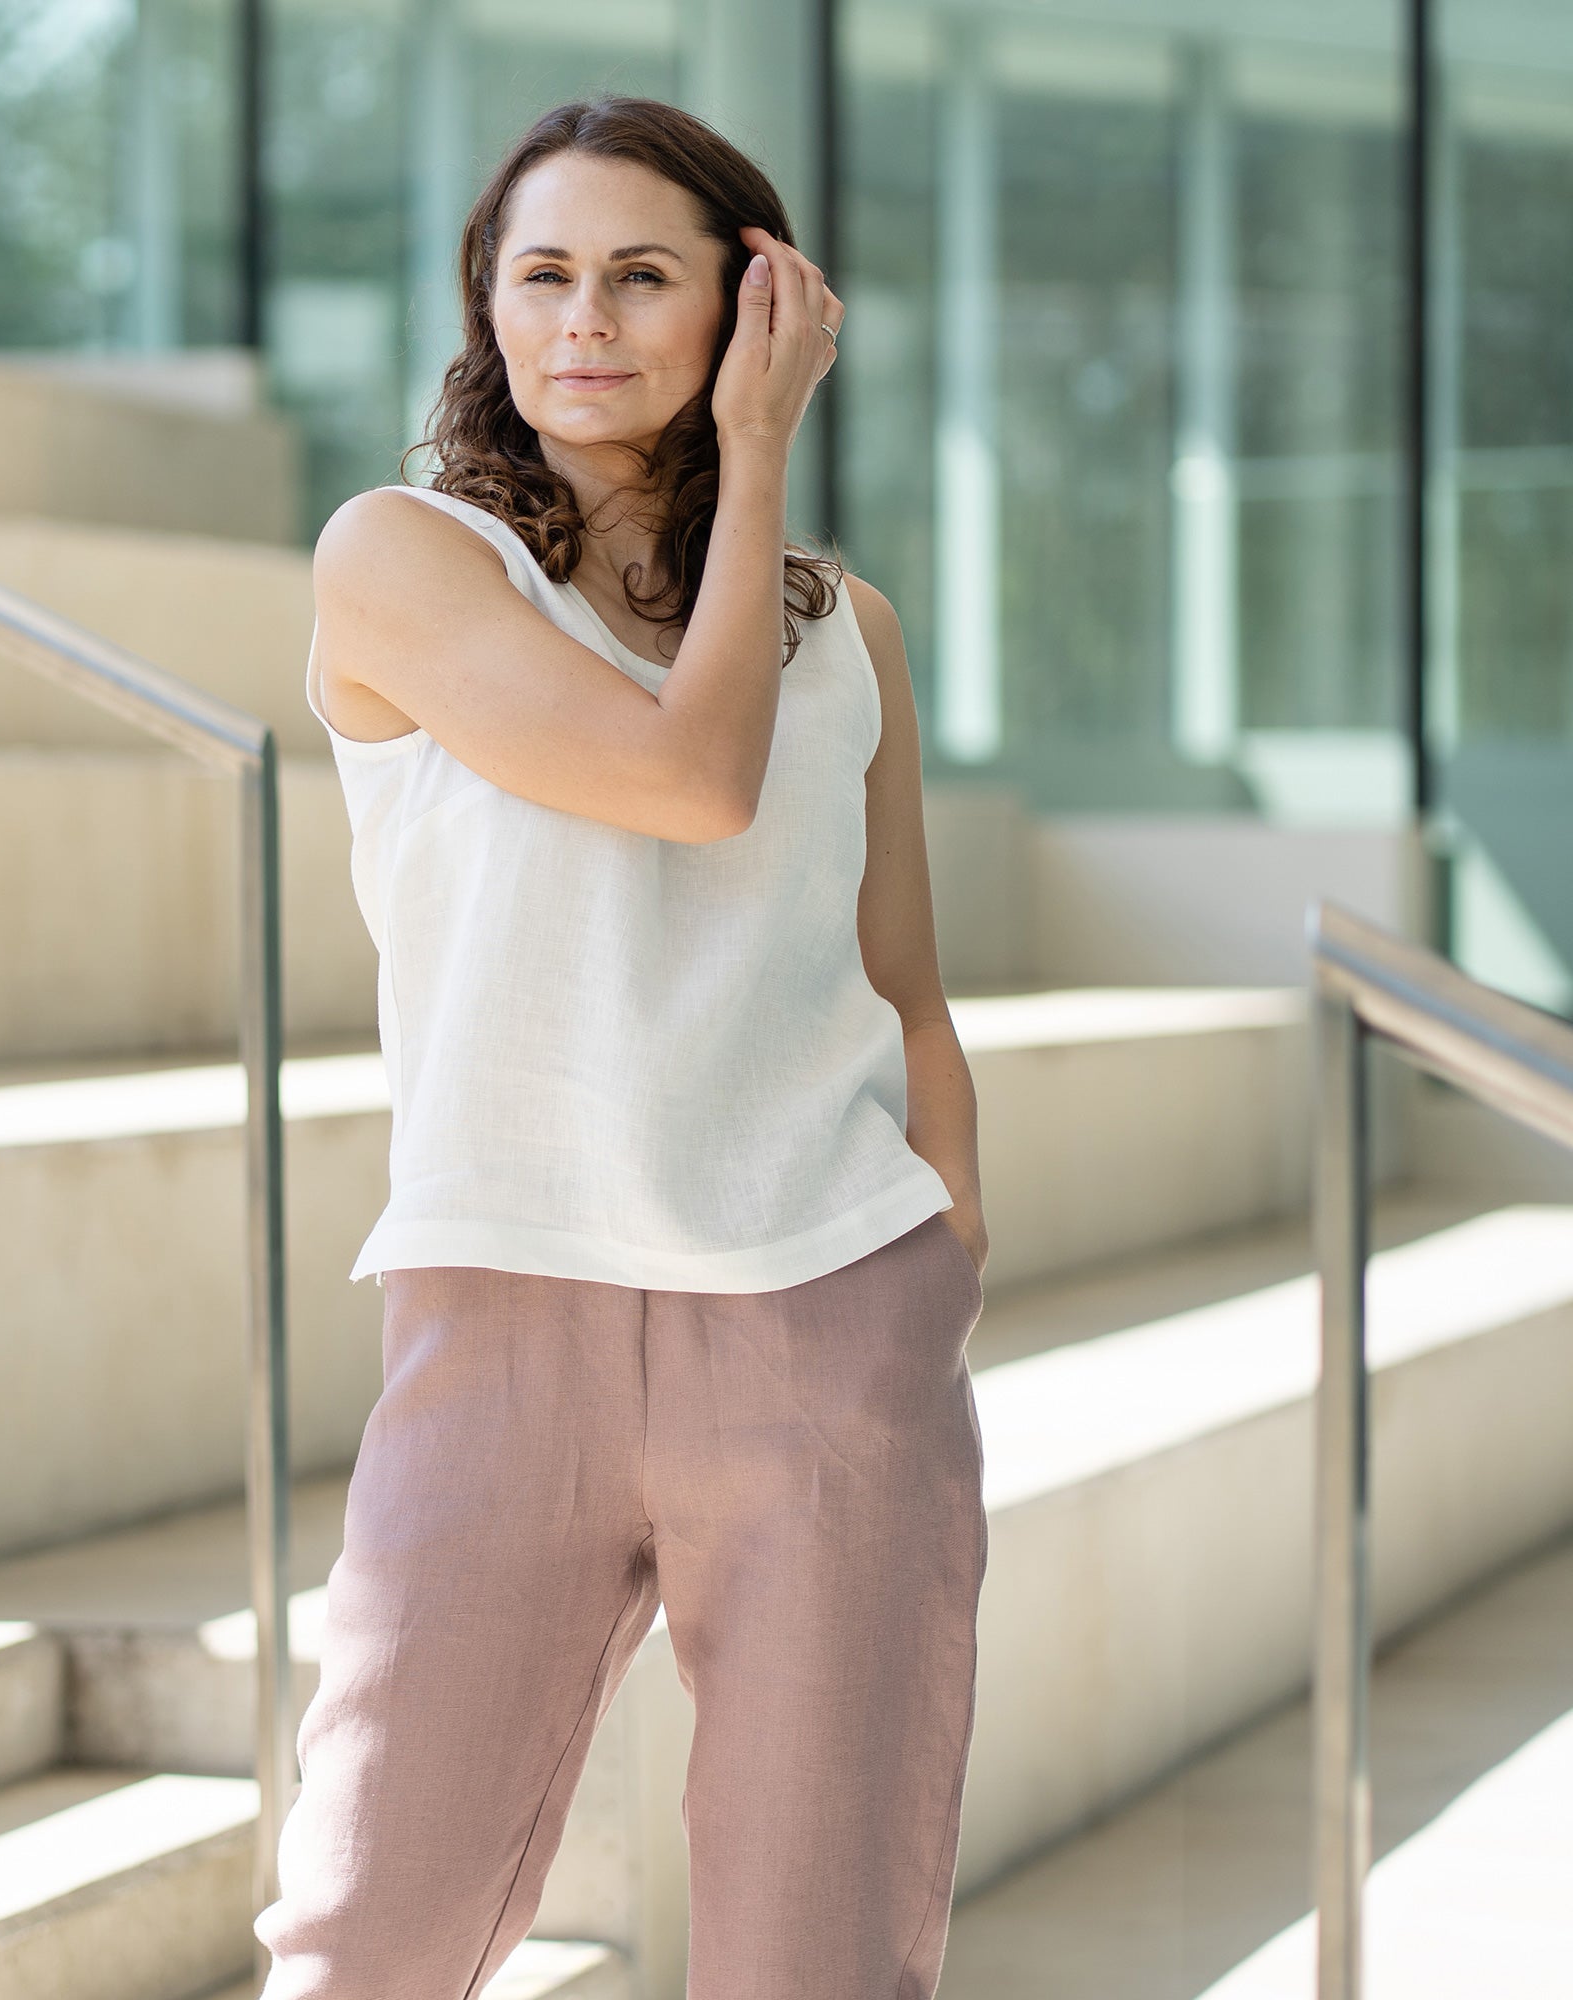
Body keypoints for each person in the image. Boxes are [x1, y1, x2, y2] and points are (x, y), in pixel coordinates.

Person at [256, 94, 990, 2000]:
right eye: (544, 274)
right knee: (367, 1933)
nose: (586, 318)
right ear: (487, 310)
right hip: (510, 1300)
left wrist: (936, 1259)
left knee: (821, 1951)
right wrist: (757, 455)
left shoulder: (855, 635)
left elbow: (901, 981)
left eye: (645, 274)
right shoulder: (402, 560)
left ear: (759, 303)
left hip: (827, 1302)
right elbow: (687, 777)